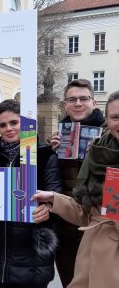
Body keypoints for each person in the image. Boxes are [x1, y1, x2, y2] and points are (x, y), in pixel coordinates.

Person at [33, 90, 119, 288]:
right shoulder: (98, 153)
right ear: (107, 119)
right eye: (115, 117)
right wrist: (54, 198)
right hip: (89, 261)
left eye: (83, 99)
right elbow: (88, 214)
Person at [0, 99, 62, 288]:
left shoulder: (45, 156)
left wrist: (48, 207)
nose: (9, 128)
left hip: (32, 257)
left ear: (24, 124)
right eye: (3, 125)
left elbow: (56, 196)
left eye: (14, 123)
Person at [49, 79, 105, 287]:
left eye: (83, 98)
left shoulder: (109, 135)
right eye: (72, 99)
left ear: (94, 102)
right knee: (69, 281)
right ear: (65, 105)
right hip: (65, 229)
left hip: (98, 228)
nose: (78, 103)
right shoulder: (59, 135)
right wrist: (52, 153)